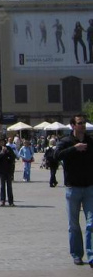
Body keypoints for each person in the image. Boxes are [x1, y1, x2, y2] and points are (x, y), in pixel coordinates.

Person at [55, 114, 93, 266]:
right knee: (74, 225)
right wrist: (74, 149)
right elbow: (56, 156)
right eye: (79, 123)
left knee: (91, 223)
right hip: (73, 188)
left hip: (90, 187)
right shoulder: (66, 141)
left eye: (84, 123)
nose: (83, 125)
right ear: (72, 125)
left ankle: (91, 255)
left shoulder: (90, 141)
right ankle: (77, 254)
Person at [0, 138, 16, 206]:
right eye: (0, 142)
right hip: (1, 170)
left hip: (9, 170)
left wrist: (7, 152)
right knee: (2, 186)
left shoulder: (9, 148)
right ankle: (2, 200)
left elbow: (13, 157)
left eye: (2, 142)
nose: (1, 143)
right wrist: (2, 153)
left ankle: (11, 201)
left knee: (9, 186)